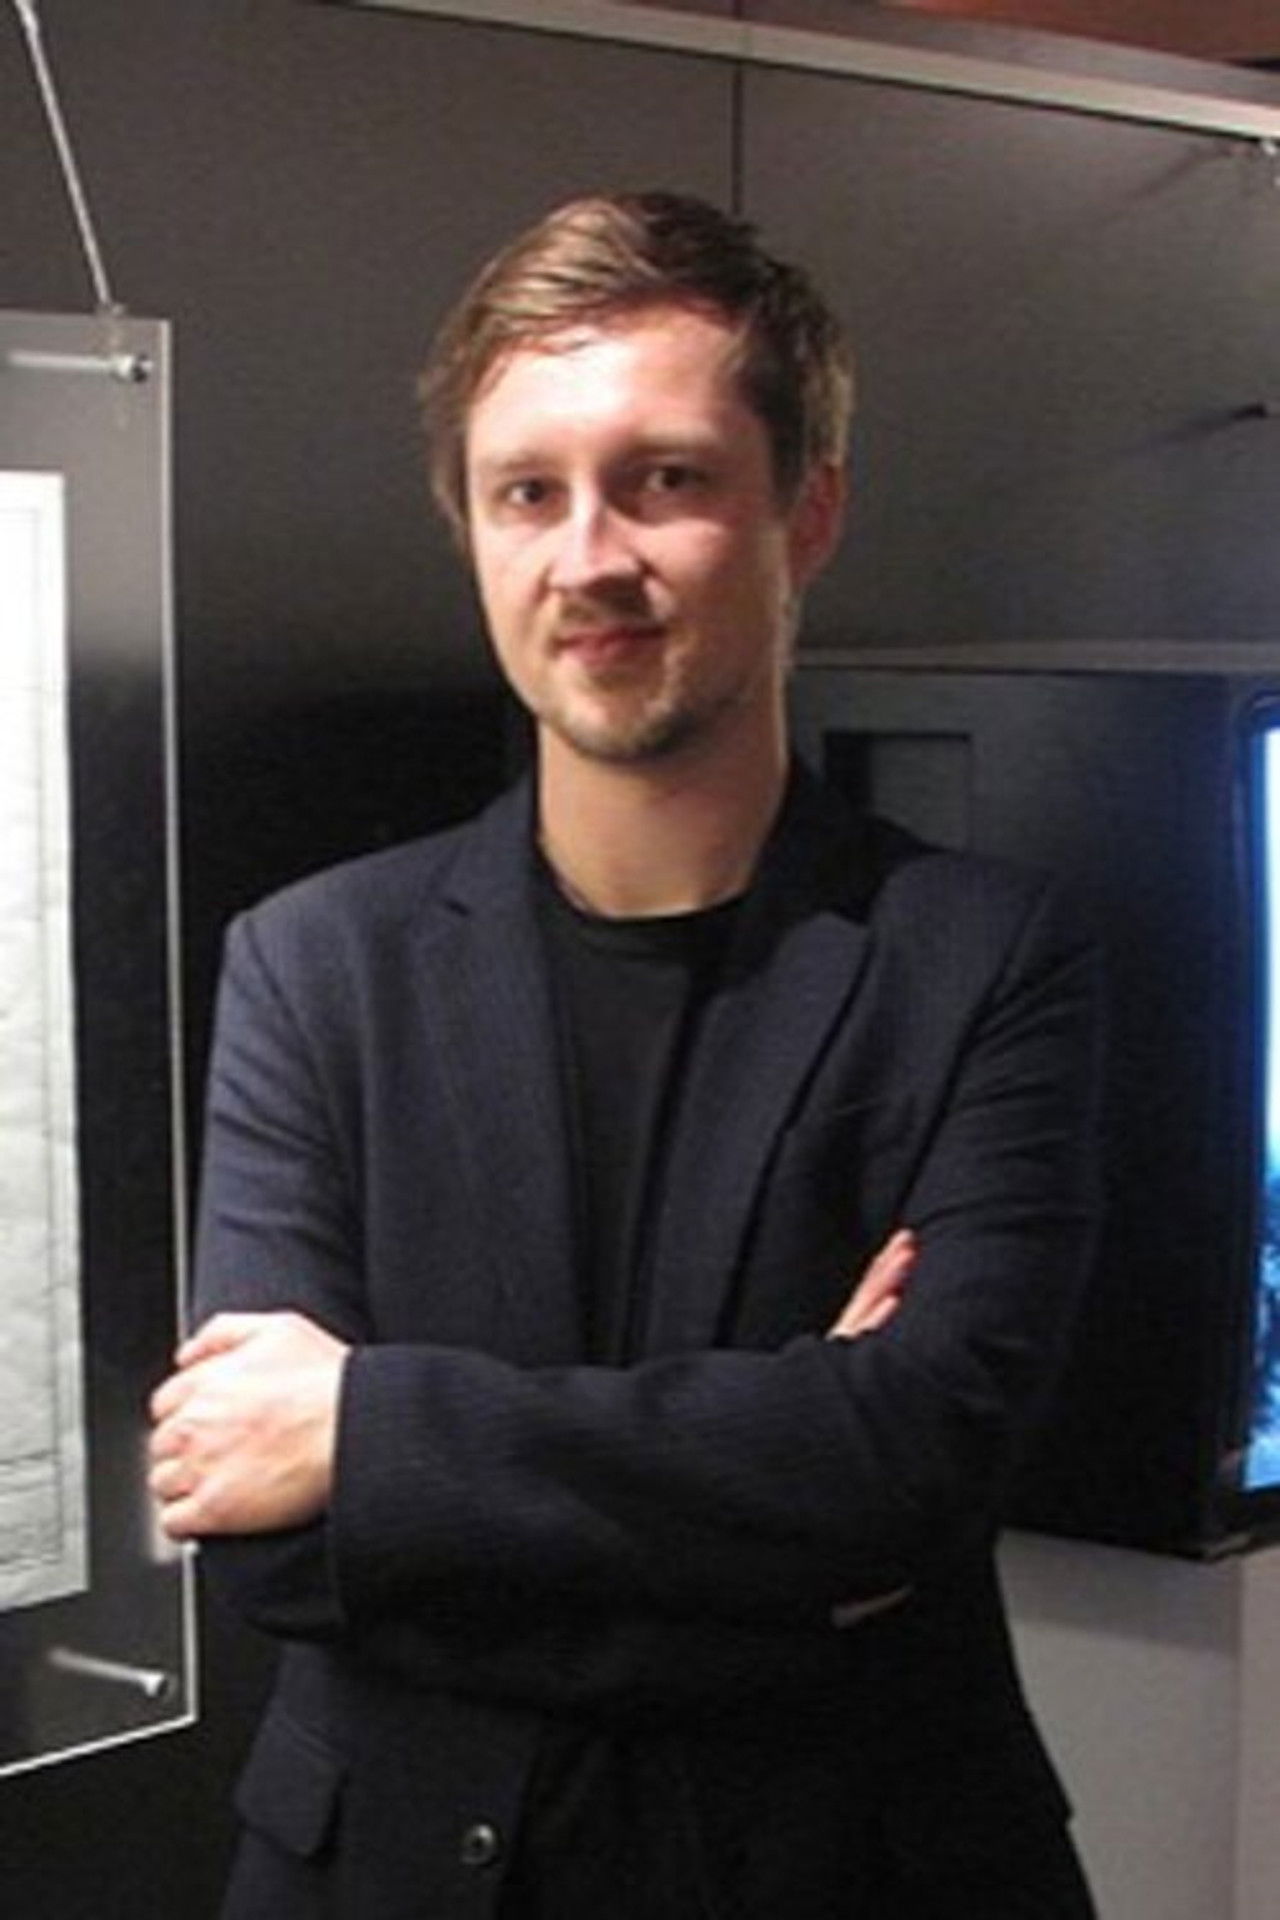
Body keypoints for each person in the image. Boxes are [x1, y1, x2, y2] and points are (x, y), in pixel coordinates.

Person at [149, 190, 1103, 1919]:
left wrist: (371, 1429)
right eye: (528, 492)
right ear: (469, 528)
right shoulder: (315, 967)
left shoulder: (984, 962)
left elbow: (912, 1468)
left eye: (663, 479)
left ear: (807, 513)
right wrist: (783, 1528)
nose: (588, 557)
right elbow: (269, 1543)